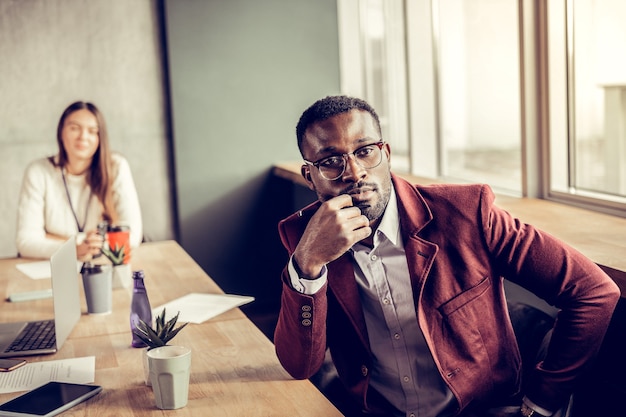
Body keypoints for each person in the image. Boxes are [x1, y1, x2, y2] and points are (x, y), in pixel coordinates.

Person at [273, 95, 621, 417]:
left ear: (387, 154)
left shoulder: (467, 212)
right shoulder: (305, 240)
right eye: (331, 161)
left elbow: (593, 291)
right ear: (310, 176)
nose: (354, 172)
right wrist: (307, 266)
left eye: (365, 151)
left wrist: (541, 403)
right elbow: (300, 366)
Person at [16, 101, 142, 261]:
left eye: (92, 131)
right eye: (74, 128)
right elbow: (26, 242)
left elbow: (132, 235)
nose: (83, 137)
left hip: (104, 265)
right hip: (54, 268)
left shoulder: (116, 167)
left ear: (100, 138)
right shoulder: (38, 172)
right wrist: (76, 248)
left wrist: (58, 240)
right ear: (61, 132)